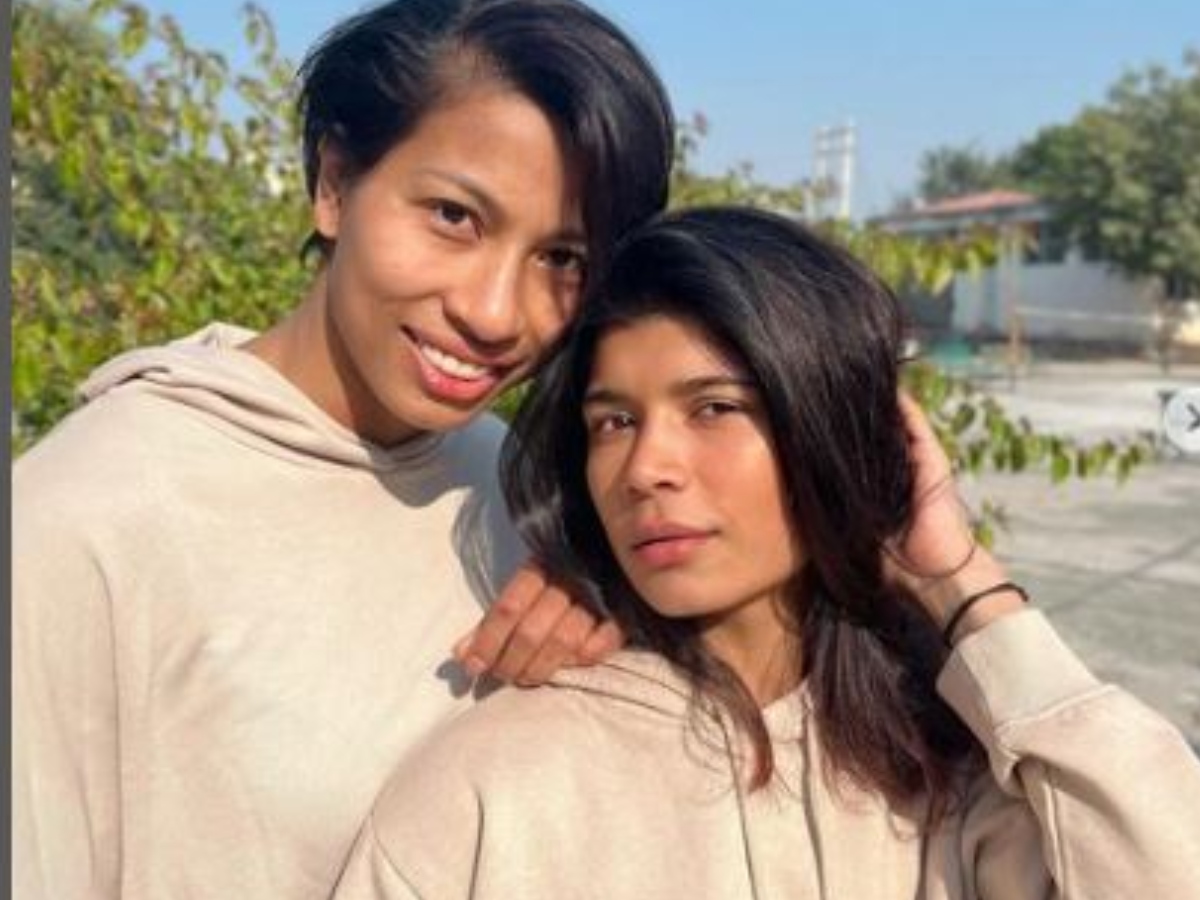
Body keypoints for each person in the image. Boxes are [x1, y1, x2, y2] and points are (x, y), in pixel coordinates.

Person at [332, 206, 1200, 899]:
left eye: (715, 408)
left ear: (826, 427)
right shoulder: (495, 786)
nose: (646, 467)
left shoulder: (956, 768)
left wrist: (960, 579)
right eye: (614, 422)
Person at [11, 1, 674, 897]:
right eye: (454, 215)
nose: (493, 313)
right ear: (333, 184)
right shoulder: (86, 518)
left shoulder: (531, 495)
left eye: (562, 259)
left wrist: (612, 607)